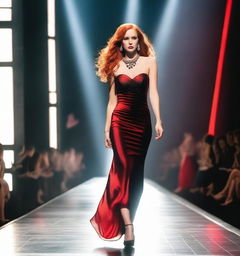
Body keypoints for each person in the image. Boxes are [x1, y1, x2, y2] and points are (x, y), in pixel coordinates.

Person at [89, 23, 163, 247]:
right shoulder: (114, 65)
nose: (130, 42)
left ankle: (128, 217)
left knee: (136, 175)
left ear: (139, 41)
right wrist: (106, 128)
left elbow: (153, 93)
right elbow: (112, 101)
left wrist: (159, 119)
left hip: (142, 123)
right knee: (122, 169)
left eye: (134, 38)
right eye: (126, 39)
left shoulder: (149, 62)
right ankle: (128, 225)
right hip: (119, 123)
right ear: (120, 42)